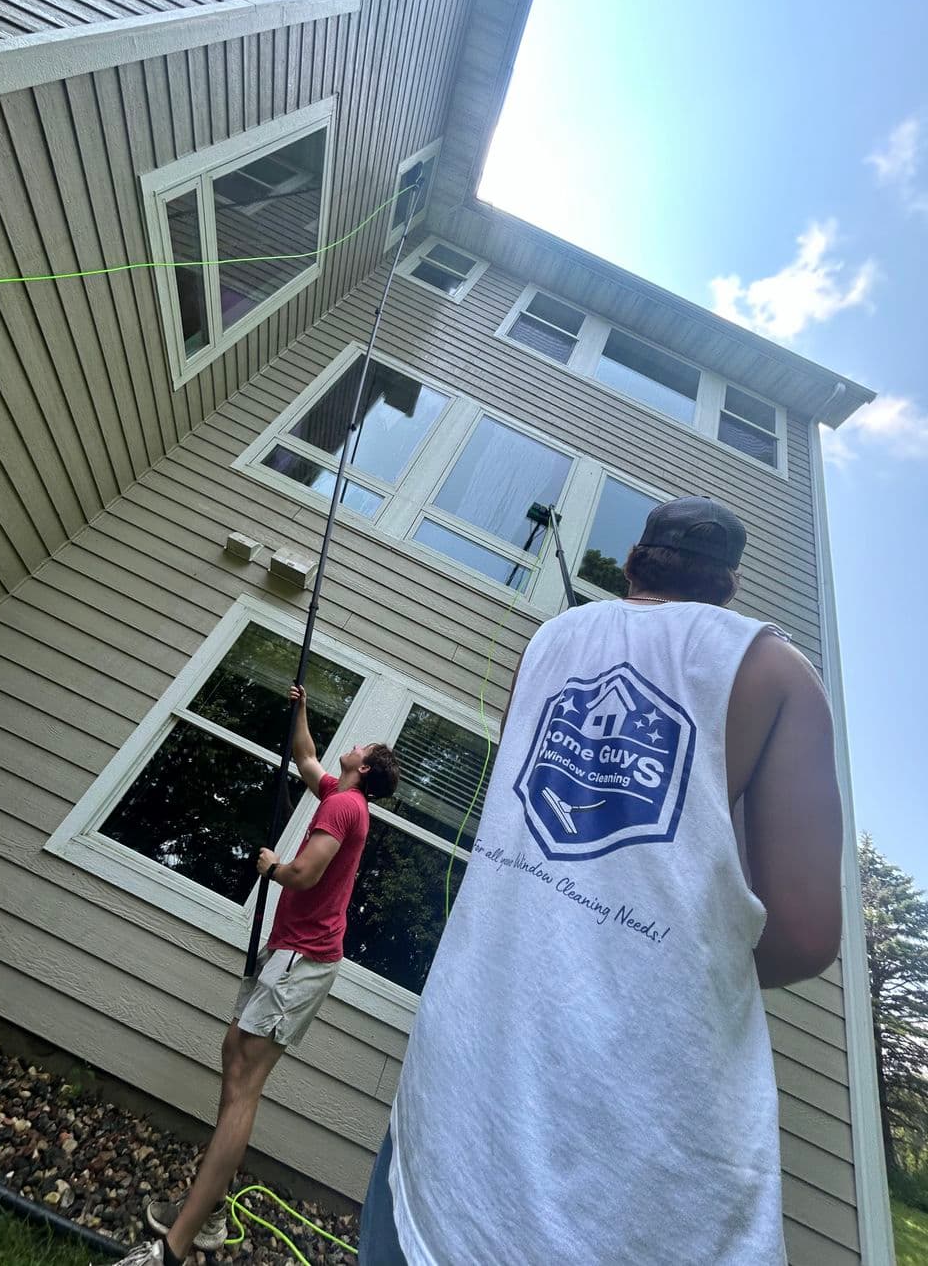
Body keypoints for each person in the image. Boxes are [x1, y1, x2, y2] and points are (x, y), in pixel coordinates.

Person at [359, 496, 843, 1266]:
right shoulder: (778, 672)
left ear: (631, 563)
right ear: (730, 584)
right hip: (632, 1157)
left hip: (456, 1098)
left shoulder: (550, 641)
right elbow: (806, 935)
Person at [107, 685, 400, 1266]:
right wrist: (301, 707)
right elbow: (305, 755)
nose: (352, 746)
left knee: (244, 1081)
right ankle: (211, 1210)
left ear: (364, 767)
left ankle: (175, 1246)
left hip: (304, 961)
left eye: (361, 746)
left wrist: (274, 868)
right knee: (233, 1055)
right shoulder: (337, 793)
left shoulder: (345, 806)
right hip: (290, 953)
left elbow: (308, 873)